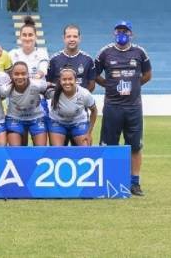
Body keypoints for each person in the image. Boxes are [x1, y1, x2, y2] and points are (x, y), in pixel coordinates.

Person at [95, 21, 152, 196]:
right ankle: (109, 180)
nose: (122, 34)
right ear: (114, 33)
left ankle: (134, 182)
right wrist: (110, 85)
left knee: (135, 146)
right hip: (113, 106)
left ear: (131, 34)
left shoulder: (139, 52)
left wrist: (135, 84)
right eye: (119, 30)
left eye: (125, 31)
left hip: (133, 107)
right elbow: (95, 74)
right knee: (109, 145)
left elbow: (147, 75)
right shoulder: (105, 53)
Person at [46, 66, 97, 147]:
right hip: (57, 122)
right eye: (64, 79)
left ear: (76, 80)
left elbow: (94, 111)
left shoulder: (84, 94)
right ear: (60, 81)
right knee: (56, 151)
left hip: (79, 122)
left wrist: (89, 133)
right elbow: (39, 91)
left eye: (70, 79)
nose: (67, 82)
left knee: (85, 148)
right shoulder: (53, 91)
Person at [3, 61, 49, 146]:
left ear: (28, 74)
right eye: (16, 74)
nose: (20, 77)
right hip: (14, 119)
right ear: (11, 75)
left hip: (37, 119)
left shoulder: (37, 84)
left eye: (23, 74)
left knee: (41, 150)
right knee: (16, 151)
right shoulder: (5, 89)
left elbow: (52, 87)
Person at [46, 24, 96, 91]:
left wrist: (81, 97)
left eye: (75, 36)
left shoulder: (88, 60)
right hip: (59, 100)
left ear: (80, 38)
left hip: (80, 100)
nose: (72, 39)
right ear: (64, 38)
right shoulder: (54, 60)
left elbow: (92, 84)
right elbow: (48, 82)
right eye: (68, 36)